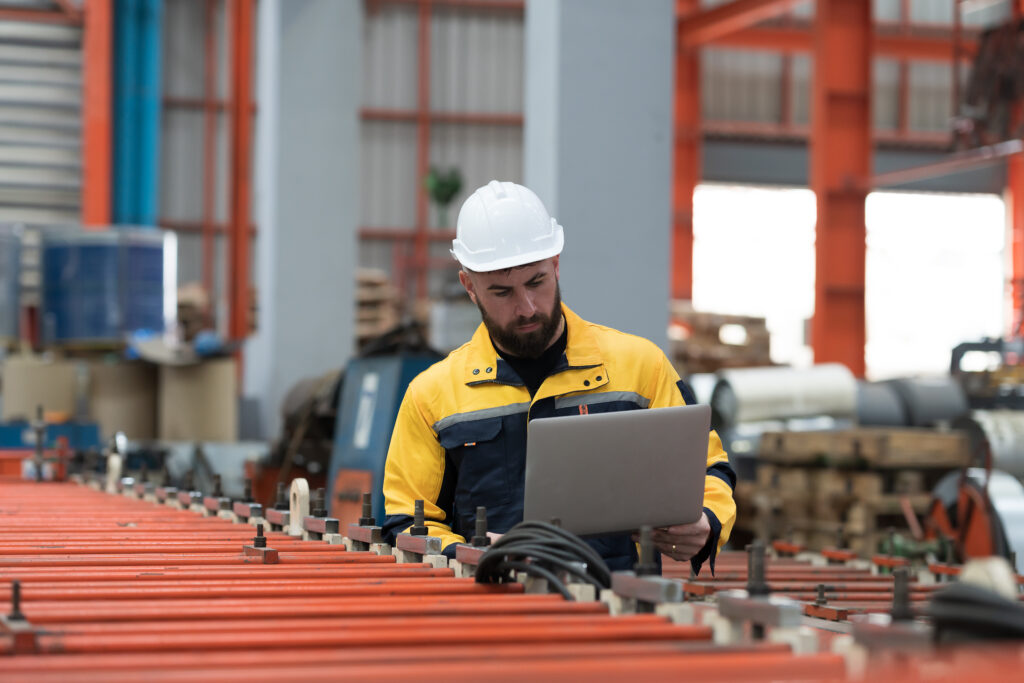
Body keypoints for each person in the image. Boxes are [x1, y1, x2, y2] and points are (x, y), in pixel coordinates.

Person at [382, 180, 736, 573]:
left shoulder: (640, 367)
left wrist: (708, 521)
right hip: (491, 615)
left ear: (556, 264)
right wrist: (472, 553)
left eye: (537, 282)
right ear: (470, 287)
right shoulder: (432, 397)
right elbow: (405, 524)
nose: (527, 307)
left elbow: (708, 467)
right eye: (502, 292)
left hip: (620, 614)